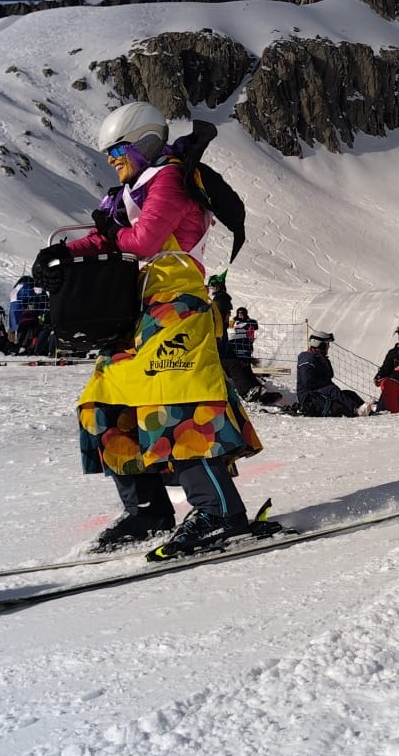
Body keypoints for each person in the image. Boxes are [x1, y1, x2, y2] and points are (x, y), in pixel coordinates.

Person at [32, 102, 263, 559]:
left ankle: (218, 511)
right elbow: (109, 236)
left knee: (178, 407)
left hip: (178, 304)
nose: (111, 160)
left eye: (116, 150)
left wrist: (100, 240)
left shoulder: (171, 179)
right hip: (139, 308)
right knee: (104, 403)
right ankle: (148, 511)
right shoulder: (132, 192)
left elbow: (143, 241)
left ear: (143, 142)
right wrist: (59, 254)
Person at [295, 330, 357, 416]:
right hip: (309, 396)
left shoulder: (320, 358)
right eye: (327, 344)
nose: (329, 347)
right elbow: (308, 382)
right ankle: (355, 410)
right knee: (333, 390)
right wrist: (327, 386)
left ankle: (365, 407)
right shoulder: (307, 358)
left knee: (349, 394)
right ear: (321, 345)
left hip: (318, 392)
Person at [371, 325, 399, 413]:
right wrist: (378, 377)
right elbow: (385, 369)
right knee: (386, 383)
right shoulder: (394, 353)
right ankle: (392, 412)